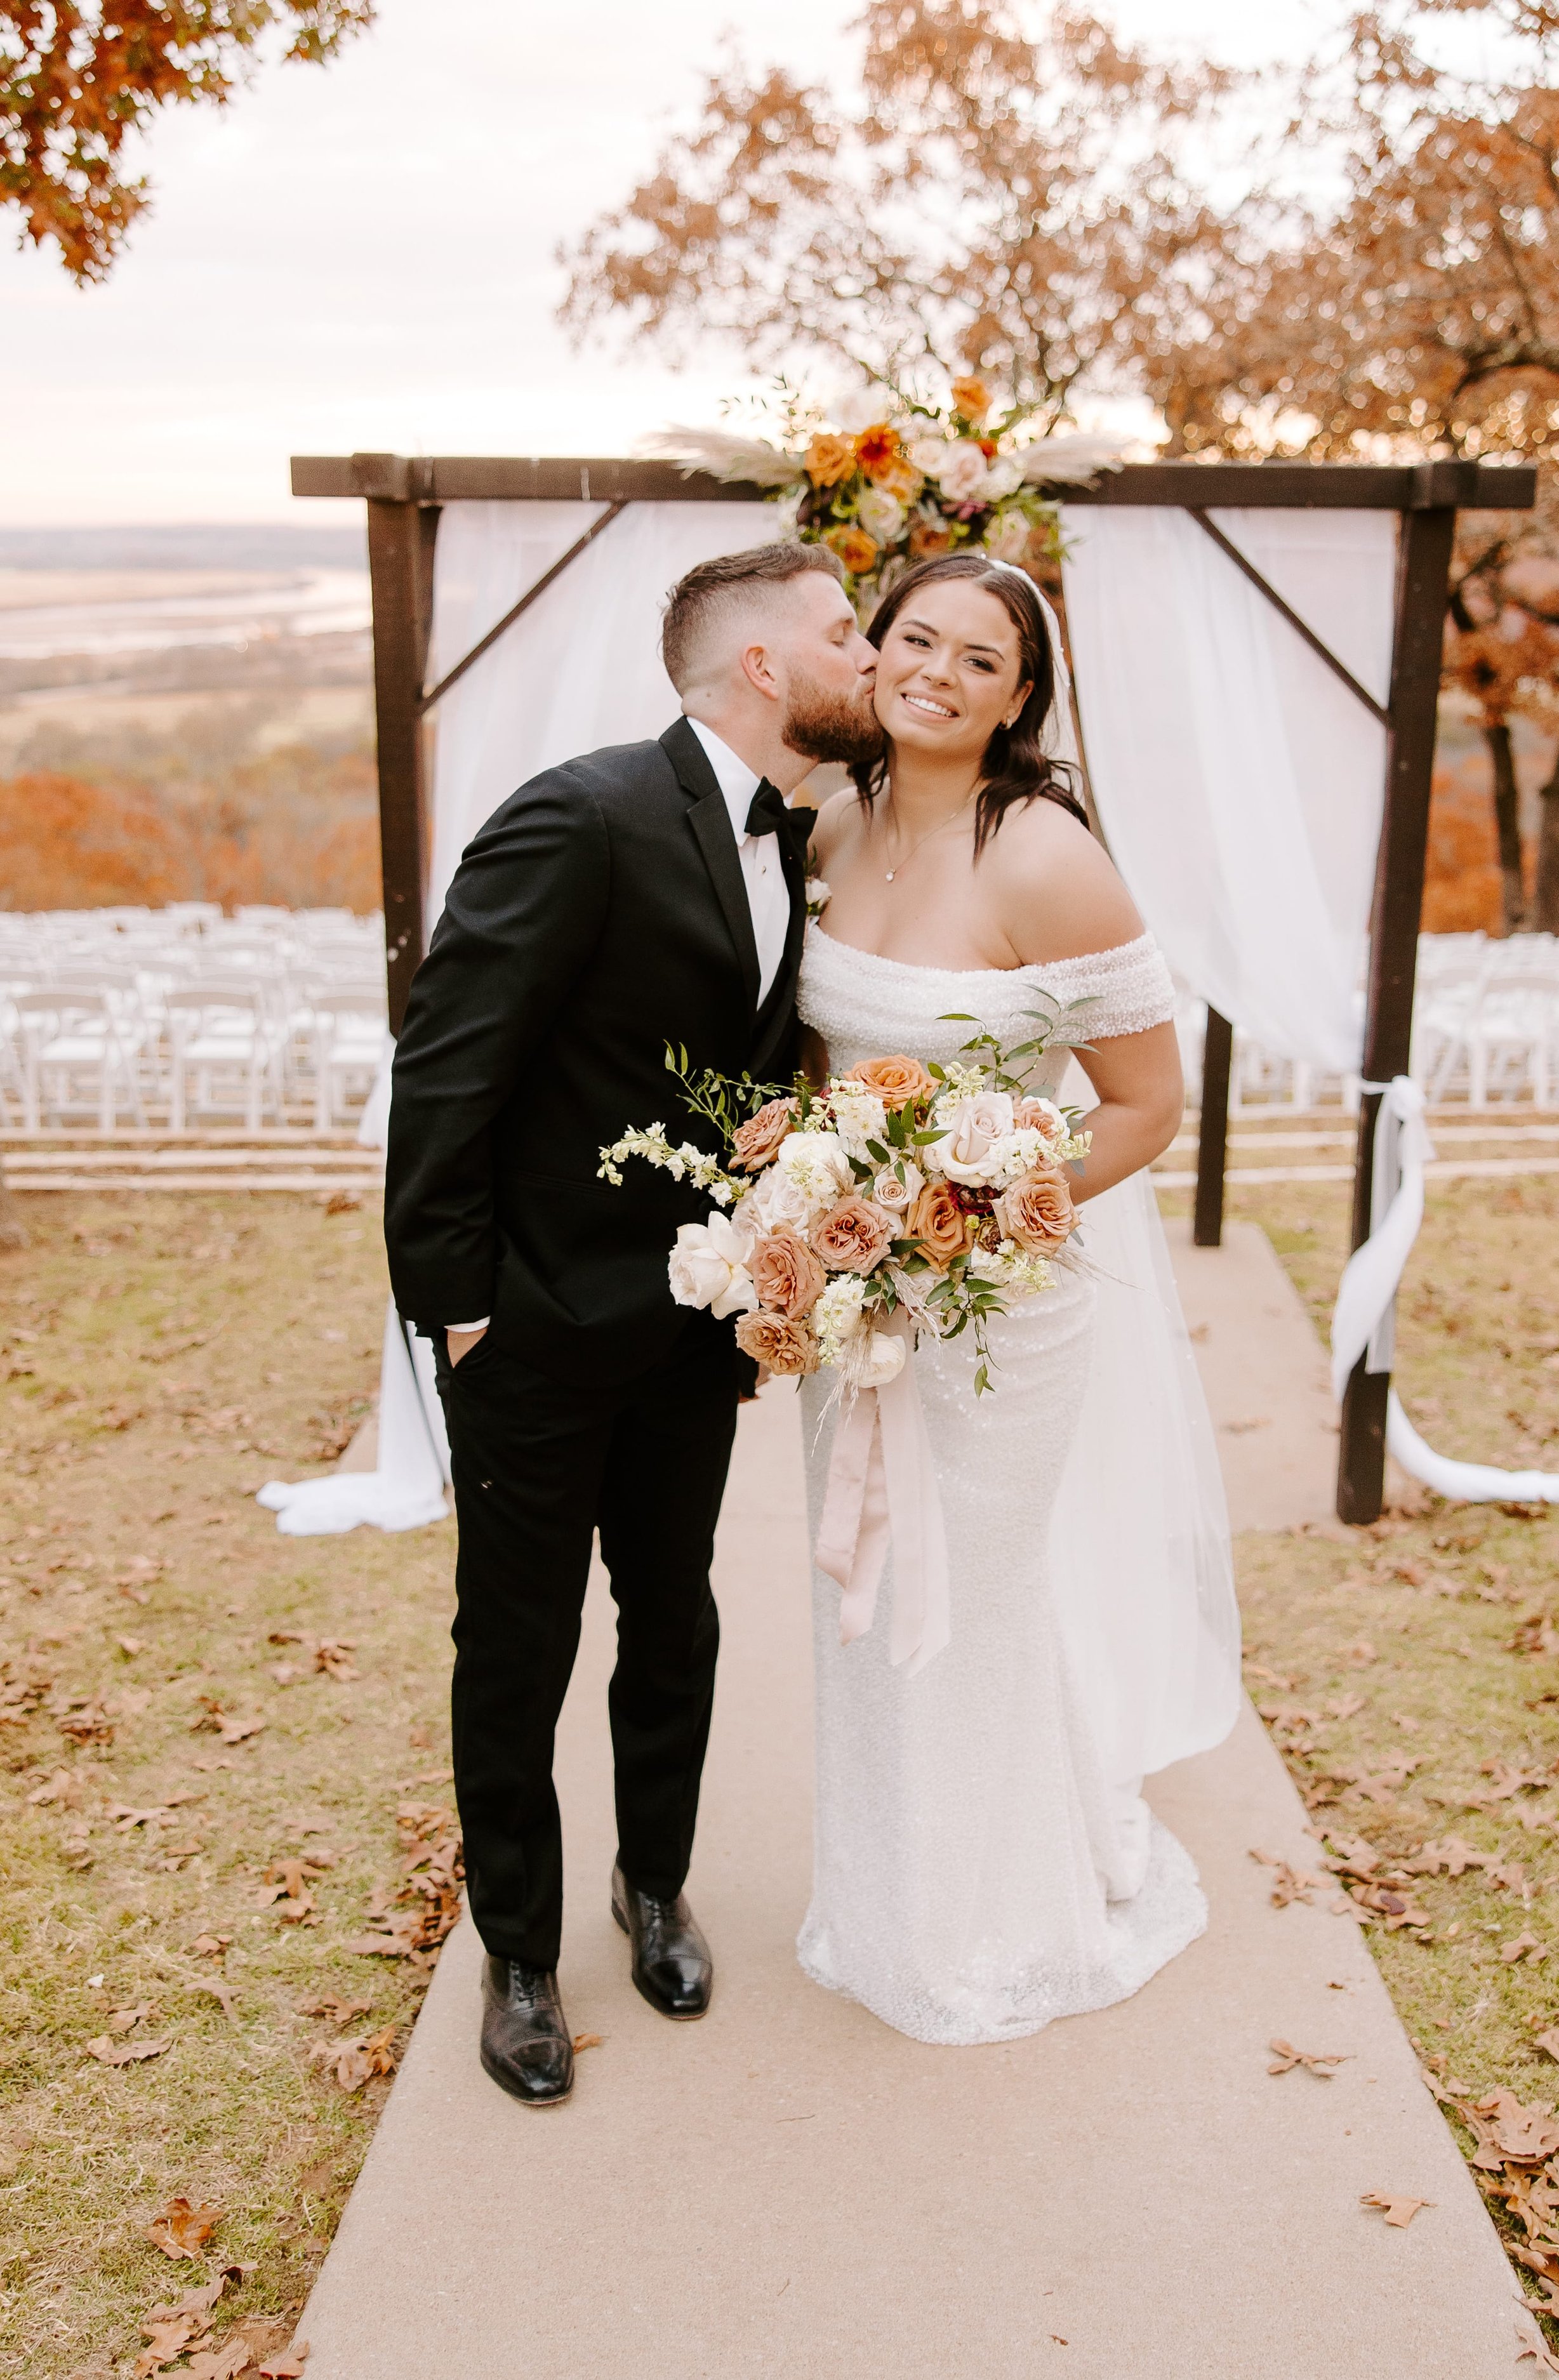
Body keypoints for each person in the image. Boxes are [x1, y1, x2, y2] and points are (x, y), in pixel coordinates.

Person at [384, 541, 881, 2105]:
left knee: (673, 1623)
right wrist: (459, 1311)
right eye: (842, 631)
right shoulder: (579, 811)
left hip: (690, 1337)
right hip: (527, 1333)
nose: (864, 656)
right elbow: (447, 1069)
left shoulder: (799, 843)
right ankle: (519, 1953)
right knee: (515, 1646)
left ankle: (651, 1884)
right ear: (758, 666)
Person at [796, 550, 1242, 2046]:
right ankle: (884, 1893)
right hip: (849, 1301)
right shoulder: (829, 820)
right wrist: (820, 1229)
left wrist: (966, 1221)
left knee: (959, 1600)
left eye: (977, 658)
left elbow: (1142, 1106)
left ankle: (986, 1917)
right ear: (870, 650)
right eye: (912, 637)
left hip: (995, 1308)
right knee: (855, 1592)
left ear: (1020, 697)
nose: (934, 670)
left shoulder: (1045, 855)